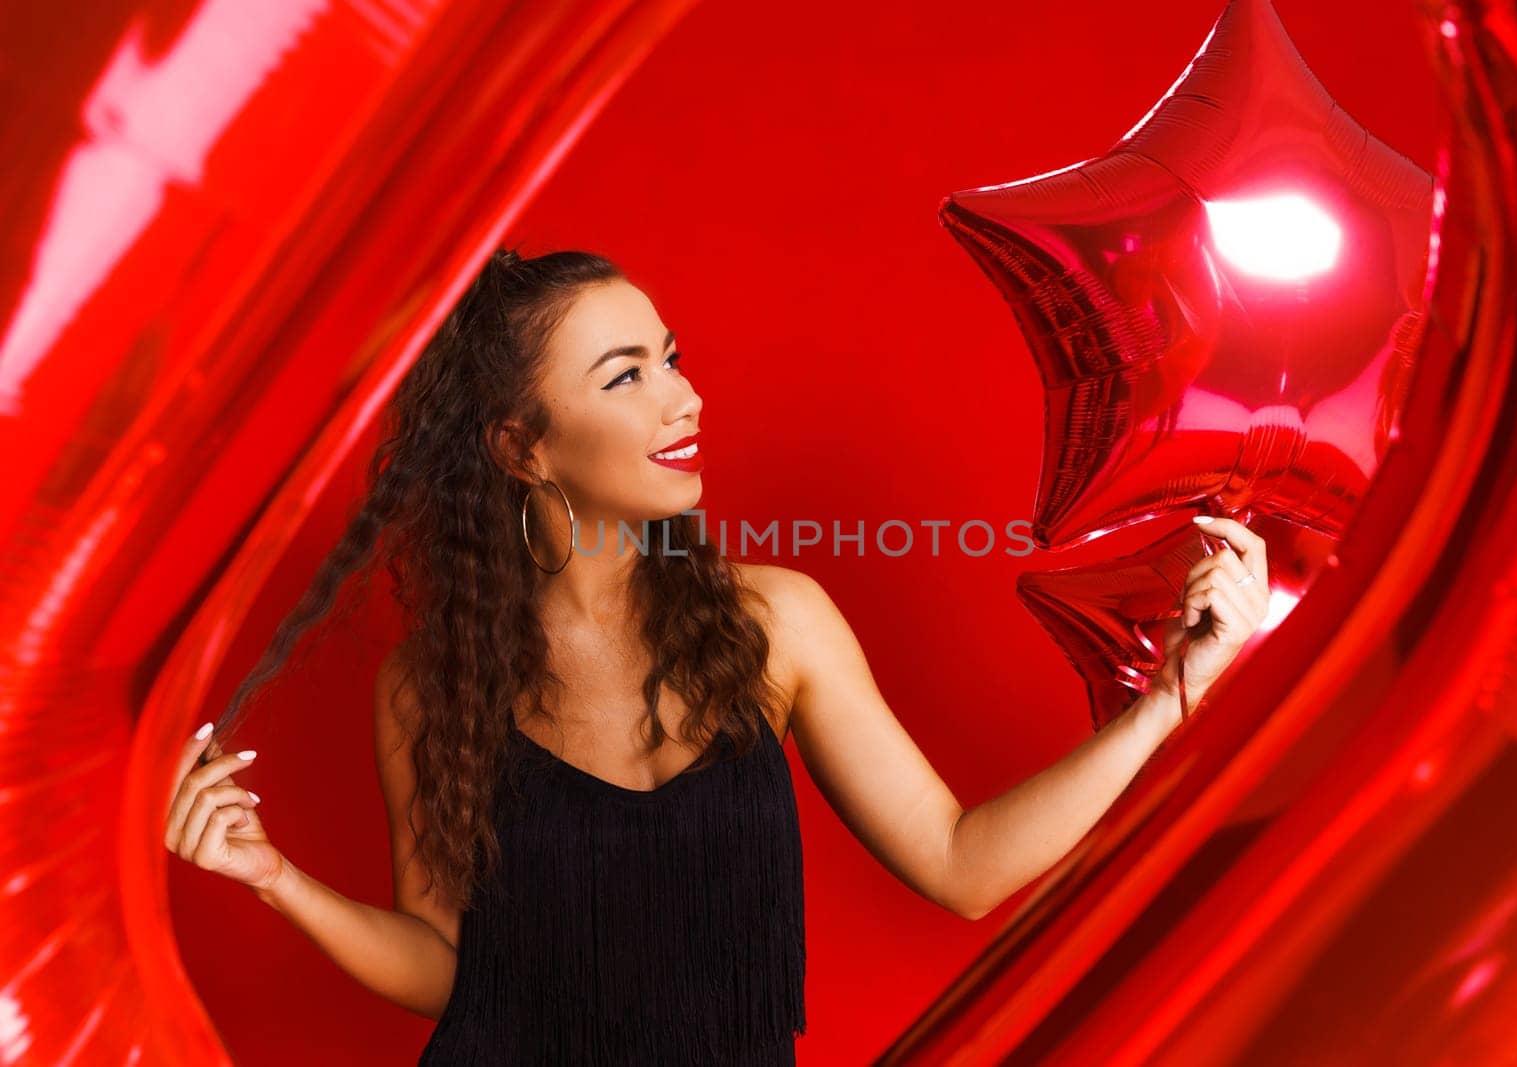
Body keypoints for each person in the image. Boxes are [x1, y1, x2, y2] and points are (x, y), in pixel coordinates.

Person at [162, 247, 1269, 1064]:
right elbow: (451, 963)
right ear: (519, 446)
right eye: (624, 375)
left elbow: (960, 863)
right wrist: (276, 882)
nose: (684, 397)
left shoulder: (773, 622)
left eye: (671, 358)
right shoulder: (429, 685)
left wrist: (1172, 692)